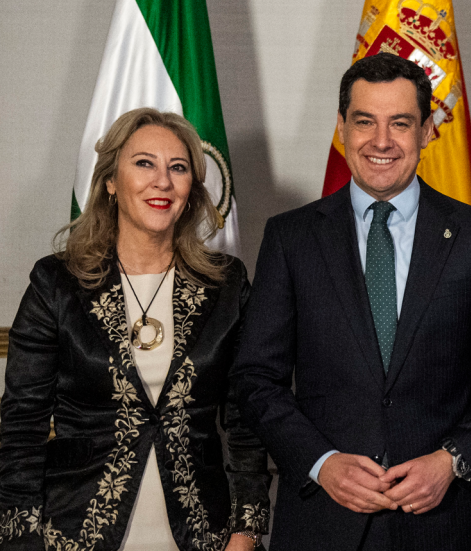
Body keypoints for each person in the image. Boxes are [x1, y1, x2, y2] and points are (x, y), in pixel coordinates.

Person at [232, 52, 471, 551]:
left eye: (400, 123)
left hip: (443, 522)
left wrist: (452, 460)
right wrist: (321, 463)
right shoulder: (291, 238)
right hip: (323, 521)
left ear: (427, 131)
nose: (381, 141)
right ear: (342, 127)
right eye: (364, 121)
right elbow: (256, 379)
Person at [0, 108, 271, 551]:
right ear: (110, 180)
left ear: (192, 188)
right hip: (74, 533)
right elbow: (21, 427)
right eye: (144, 163)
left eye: (178, 168)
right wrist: (21, 539)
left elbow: (247, 421)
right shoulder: (56, 283)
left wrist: (246, 531)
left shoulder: (227, 284)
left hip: (205, 534)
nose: (162, 181)